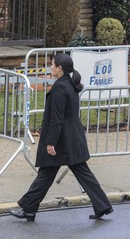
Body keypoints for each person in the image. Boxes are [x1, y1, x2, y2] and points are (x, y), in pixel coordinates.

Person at [10, 53, 113, 221]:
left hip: (62, 141)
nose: (50, 67)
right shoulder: (69, 84)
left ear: (59, 68)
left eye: (52, 64)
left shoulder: (60, 87)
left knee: (46, 175)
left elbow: (56, 118)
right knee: (78, 173)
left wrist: (51, 143)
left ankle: (28, 208)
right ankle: (102, 206)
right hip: (72, 138)